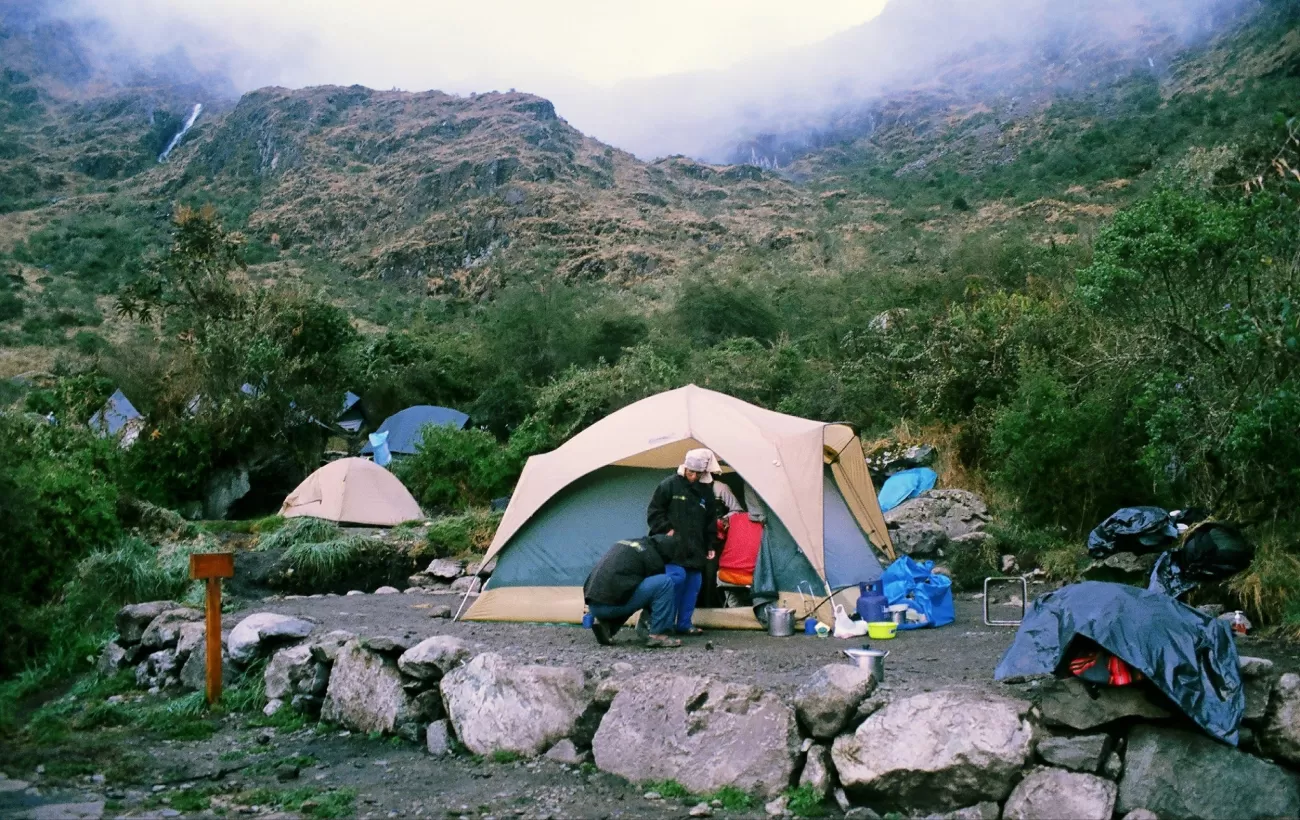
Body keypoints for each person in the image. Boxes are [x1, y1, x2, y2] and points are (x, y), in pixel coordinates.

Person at [647, 448, 722, 635]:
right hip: (672, 545)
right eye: (690, 472)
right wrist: (666, 529)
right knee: (675, 580)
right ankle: (663, 624)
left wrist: (710, 544)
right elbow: (654, 511)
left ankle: (684, 624)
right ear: (685, 468)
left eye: (697, 473)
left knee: (693, 583)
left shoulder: (706, 491)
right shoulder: (669, 485)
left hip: (696, 545)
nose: (693, 476)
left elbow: (710, 520)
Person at [583, 535, 682, 648]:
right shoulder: (652, 556)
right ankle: (657, 635)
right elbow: (656, 597)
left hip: (593, 606)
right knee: (664, 583)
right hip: (612, 606)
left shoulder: (627, 543)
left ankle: (607, 626)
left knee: (628, 588)